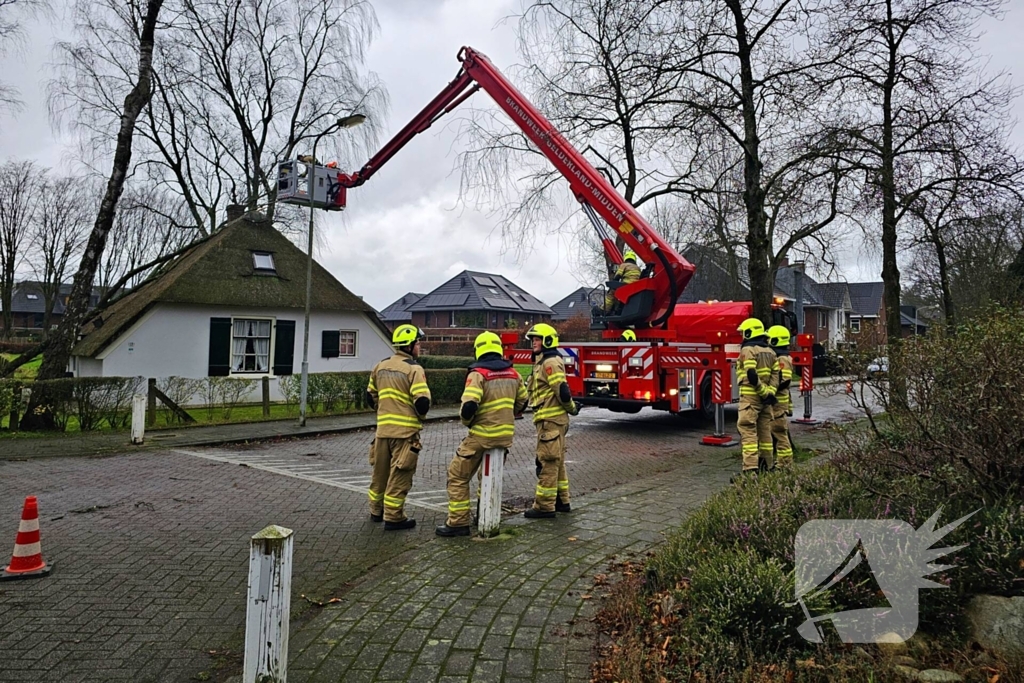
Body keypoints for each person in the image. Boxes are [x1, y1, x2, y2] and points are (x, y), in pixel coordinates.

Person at [436, 332, 529, 537]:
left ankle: (458, 523)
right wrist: (508, 415)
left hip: (480, 434)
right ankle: (482, 514)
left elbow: (469, 406)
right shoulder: (514, 374)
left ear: (479, 349)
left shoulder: (478, 374)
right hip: (505, 436)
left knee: (458, 475)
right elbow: (523, 402)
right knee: (486, 477)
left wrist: (468, 423)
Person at [366, 324, 431, 530]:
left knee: (380, 473)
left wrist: (383, 411)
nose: (419, 346)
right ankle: (394, 518)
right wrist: (419, 417)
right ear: (410, 345)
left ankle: (376, 510)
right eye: (418, 343)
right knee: (400, 474)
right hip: (405, 433)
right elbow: (422, 401)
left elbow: (370, 396)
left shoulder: (380, 366)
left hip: (382, 431)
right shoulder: (414, 369)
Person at [524, 323, 580, 518]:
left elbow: (562, 390)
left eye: (537, 339)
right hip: (550, 420)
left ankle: (544, 506)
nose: (534, 343)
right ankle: (562, 501)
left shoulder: (550, 362)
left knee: (547, 462)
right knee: (557, 461)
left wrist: (572, 408)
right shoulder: (543, 361)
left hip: (550, 420)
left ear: (548, 340)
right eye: (533, 340)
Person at [732, 318, 779, 481]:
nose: (742, 335)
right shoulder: (771, 351)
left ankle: (750, 469)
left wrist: (761, 391)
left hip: (751, 397)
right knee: (765, 430)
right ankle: (768, 465)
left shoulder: (748, 349)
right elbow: (776, 375)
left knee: (747, 429)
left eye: (743, 332)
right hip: (765, 400)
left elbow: (751, 373)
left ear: (750, 332)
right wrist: (769, 393)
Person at [766, 325, 795, 469]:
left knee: (779, 434)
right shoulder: (780, 357)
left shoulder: (783, 359)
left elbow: (784, 381)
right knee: (776, 433)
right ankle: (781, 462)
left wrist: (769, 390)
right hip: (776, 403)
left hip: (778, 404)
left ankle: (785, 464)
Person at [599, 250, 643, 314]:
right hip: (636, 289)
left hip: (626, 286)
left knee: (612, 292)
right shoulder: (638, 268)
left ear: (626, 258)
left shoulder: (624, 265)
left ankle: (605, 309)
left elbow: (618, 276)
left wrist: (612, 285)